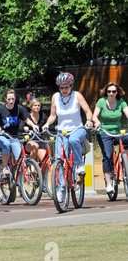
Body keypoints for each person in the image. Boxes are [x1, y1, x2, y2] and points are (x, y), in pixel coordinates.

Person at [42, 72, 94, 202]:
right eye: (61, 87)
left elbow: (88, 111)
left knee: (73, 140)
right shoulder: (55, 97)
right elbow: (53, 115)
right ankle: (61, 187)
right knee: (59, 159)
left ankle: (79, 165)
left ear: (71, 86)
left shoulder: (77, 95)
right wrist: (47, 124)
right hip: (62, 131)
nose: (64, 90)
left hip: (77, 129)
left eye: (66, 87)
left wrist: (89, 120)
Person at [92, 82, 128, 195]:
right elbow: (94, 116)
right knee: (107, 156)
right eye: (109, 91)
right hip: (104, 132)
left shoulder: (121, 102)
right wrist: (96, 121)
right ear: (106, 92)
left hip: (117, 131)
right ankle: (108, 183)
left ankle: (124, 160)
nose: (111, 93)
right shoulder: (101, 102)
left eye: (113, 91)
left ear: (117, 92)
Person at [0, 89, 38, 177]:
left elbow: (26, 119)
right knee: (6, 144)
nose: (11, 101)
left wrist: (33, 125)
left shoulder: (19, 108)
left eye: (13, 99)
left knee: (21, 159)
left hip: (14, 137)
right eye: (9, 99)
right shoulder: (1, 110)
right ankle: (5, 168)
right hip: (1, 137)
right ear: (5, 99)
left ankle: (19, 179)